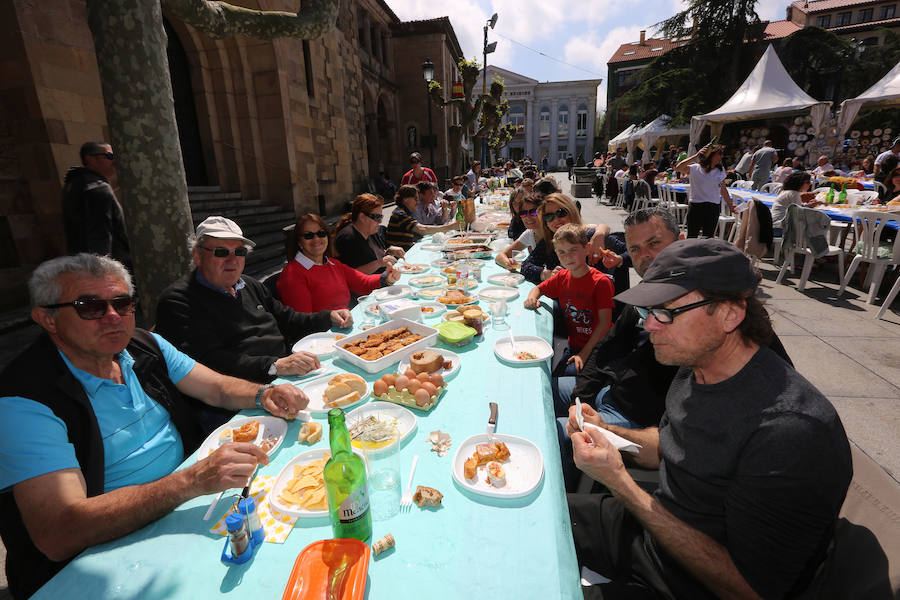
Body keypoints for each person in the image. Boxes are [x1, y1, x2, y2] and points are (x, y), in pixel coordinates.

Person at [0, 254, 311, 598]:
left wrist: (264, 393)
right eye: (90, 307)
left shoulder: (145, 344)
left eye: (122, 303)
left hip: (190, 504)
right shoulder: (23, 399)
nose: (113, 317)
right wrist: (188, 481)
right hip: (105, 558)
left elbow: (217, 387)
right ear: (48, 319)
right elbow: (59, 531)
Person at [567, 238, 851, 599]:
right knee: (528, 520)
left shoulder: (789, 432)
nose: (650, 326)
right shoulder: (696, 365)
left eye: (666, 311)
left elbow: (750, 590)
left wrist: (620, 483)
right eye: (647, 312)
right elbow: (667, 444)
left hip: (692, 584)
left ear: (730, 314)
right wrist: (607, 430)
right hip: (654, 533)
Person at [155, 216, 352, 393]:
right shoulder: (178, 301)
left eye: (239, 251)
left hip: (285, 375)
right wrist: (276, 365)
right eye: (221, 252)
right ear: (197, 256)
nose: (232, 260)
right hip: (237, 397)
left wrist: (329, 316)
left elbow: (288, 318)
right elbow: (210, 363)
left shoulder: (249, 284)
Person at [524, 224, 614, 377]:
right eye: (562, 252)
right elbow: (539, 288)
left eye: (573, 250)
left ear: (587, 248)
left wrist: (584, 354)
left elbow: (605, 324)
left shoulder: (601, 282)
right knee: (549, 373)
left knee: (559, 377)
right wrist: (532, 298)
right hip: (574, 345)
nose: (568, 257)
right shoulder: (561, 276)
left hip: (600, 347)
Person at [277, 214, 399, 313]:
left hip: (344, 324)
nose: (316, 239)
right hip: (321, 337)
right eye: (308, 236)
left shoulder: (332, 264)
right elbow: (304, 321)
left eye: (321, 233)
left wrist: (387, 278)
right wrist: (332, 317)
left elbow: (362, 283)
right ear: (299, 242)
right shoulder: (292, 274)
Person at [62, 142, 131, 270]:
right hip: (110, 267)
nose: (114, 161)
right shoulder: (97, 188)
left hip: (82, 263)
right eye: (109, 156)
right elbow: (100, 235)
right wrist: (101, 271)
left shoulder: (74, 185)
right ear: (91, 159)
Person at [333, 194, 405, 275]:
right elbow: (352, 273)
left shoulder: (371, 231)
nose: (380, 222)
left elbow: (378, 255)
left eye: (381, 217)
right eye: (377, 217)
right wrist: (379, 263)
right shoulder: (348, 238)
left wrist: (390, 251)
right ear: (362, 217)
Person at [675, 144, 736, 238]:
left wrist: (730, 206)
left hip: (713, 207)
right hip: (696, 206)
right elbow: (678, 168)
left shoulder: (720, 170)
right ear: (711, 155)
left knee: (708, 238)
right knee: (692, 237)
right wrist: (696, 156)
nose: (721, 156)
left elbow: (723, 189)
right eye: (719, 154)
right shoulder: (695, 168)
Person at [385, 185, 458, 251]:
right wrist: (450, 227)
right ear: (405, 199)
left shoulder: (405, 212)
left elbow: (440, 221)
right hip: (401, 255)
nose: (418, 202)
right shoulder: (399, 214)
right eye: (415, 199)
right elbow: (422, 229)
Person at [496, 192, 543, 271]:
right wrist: (509, 263)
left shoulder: (551, 234)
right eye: (523, 213)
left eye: (533, 212)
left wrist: (521, 266)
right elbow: (500, 256)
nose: (528, 217)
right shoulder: (530, 233)